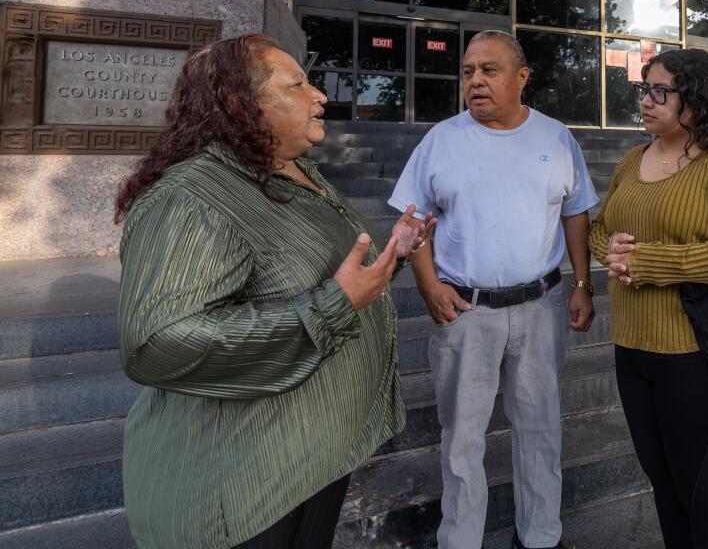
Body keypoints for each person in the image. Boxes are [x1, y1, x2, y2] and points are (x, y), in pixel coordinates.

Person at [115, 34, 433, 549]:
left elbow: (322, 277)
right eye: (299, 84)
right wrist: (335, 306)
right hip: (242, 491)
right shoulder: (191, 198)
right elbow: (158, 343)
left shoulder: (291, 171)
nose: (320, 95)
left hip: (306, 462)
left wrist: (391, 254)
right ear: (244, 105)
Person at [388, 30, 599, 549]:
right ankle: (460, 540)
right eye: (467, 72)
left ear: (522, 77)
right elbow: (414, 224)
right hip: (465, 311)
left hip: (542, 307)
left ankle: (541, 537)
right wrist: (430, 285)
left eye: (489, 70)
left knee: (540, 429)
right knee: (460, 438)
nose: (475, 81)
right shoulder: (442, 139)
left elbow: (576, 212)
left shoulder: (556, 137)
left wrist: (583, 283)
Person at [588, 48, 708, 549]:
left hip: (701, 356)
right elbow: (601, 230)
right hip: (633, 351)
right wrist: (607, 249)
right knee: (669, 492)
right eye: (643, 90)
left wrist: (652, 264)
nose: (647, 101)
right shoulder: (634, 159)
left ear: (696, 96)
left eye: (661, 91)